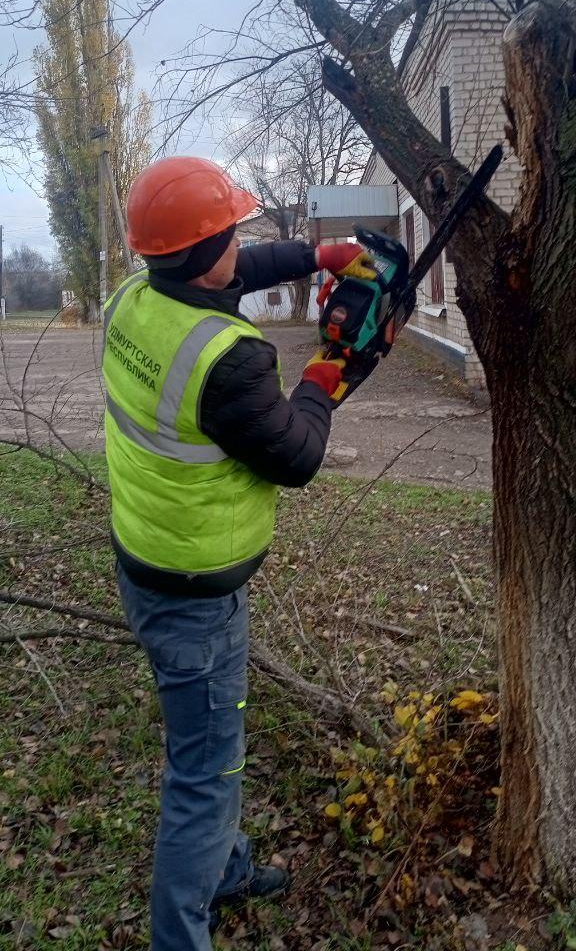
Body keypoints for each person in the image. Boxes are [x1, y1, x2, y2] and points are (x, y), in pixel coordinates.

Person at [102, 157, 375, 951]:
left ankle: (225, 870)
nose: (240, 247)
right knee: (204, 773)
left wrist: (319, 255)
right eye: (231, 234)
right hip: (193, 595)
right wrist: (330, 369)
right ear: (203, 252)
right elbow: (295, 458)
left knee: (209, 746)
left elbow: (234, 268)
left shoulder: (136, 299)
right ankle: (179, 935)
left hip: (152, 561)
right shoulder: (229, 360)